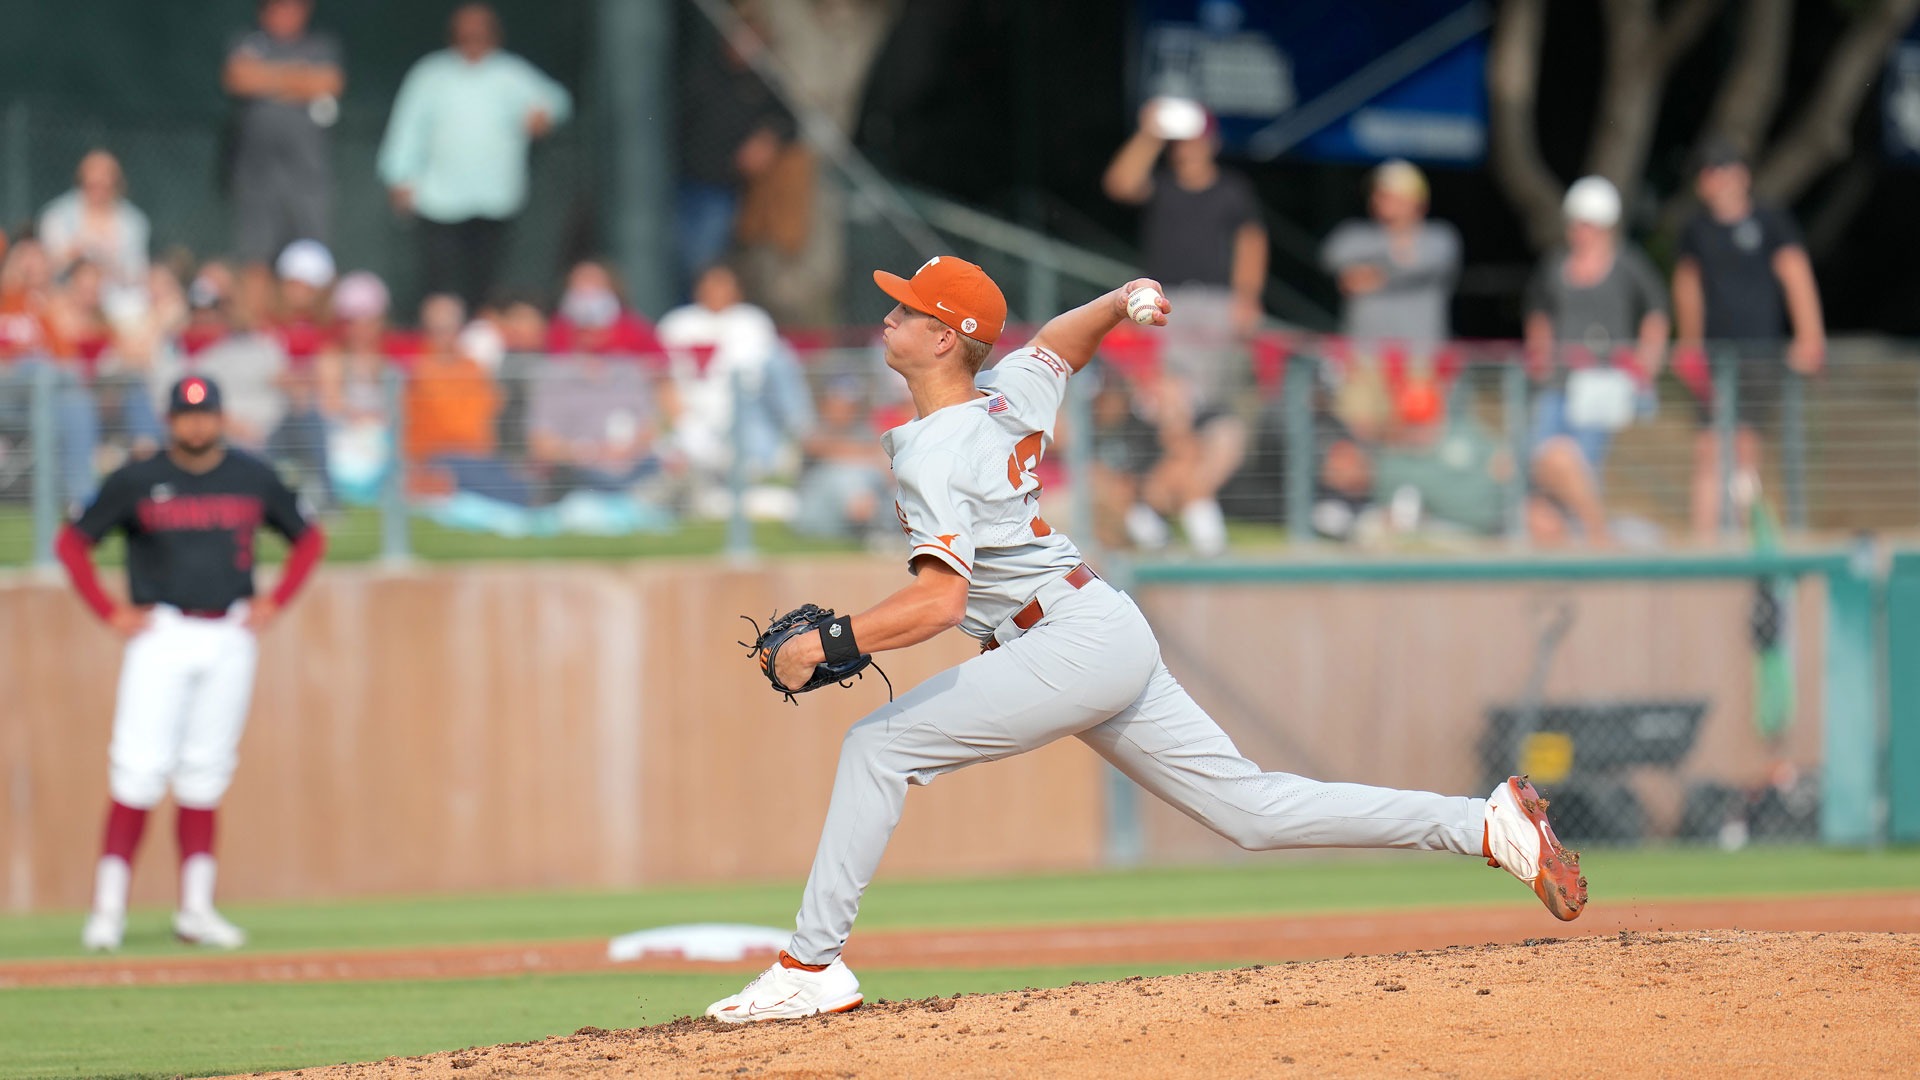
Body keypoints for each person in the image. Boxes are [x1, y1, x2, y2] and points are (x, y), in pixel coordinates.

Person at [702, 256, 1586, 1024]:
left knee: (877, 748)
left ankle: (809, 970)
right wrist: (1122, 298)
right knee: (1252, 810)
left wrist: (836, 640)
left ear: (945, 340)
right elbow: (1062, 340)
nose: (888, 316)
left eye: (907, 309)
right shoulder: (1006, 394)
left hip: (1063, 641)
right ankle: (1481, 825)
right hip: (1094, 626)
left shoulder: (938, 447)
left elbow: (940, 602)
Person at [57, 375, 326, 951]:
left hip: (229, 631)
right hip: (163, 632)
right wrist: (109, 611)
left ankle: (196, 909)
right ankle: (108, 911)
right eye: (186, 415)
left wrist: (276, 600)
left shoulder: (251, 476)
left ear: (221, 418)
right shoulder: (138, 478)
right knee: (137, 768)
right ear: (170, 419)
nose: (197, 425)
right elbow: (72, 542)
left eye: (206, 415)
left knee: (206, 771)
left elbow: (309, 538)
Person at [1102, 99, 1264, 556]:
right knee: (1171, 405)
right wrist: (1150, 132)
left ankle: (1162, 508)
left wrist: (1246, 297)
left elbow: (1252, 241)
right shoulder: (1165, 186)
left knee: (1204, 417)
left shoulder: (1232, 190)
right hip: (1164, 302)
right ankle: (1189, 511)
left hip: (1215, 307)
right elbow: (1120, 183)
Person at [1672, 138, 1826, 538]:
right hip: (1713, 356)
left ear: (1740, 174)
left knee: (1744, 447)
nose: (1713, 180)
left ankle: (1747, 538)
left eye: (1719, 170)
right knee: (1707, 448)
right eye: (1706, 173)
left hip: (1759, 353)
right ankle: (1703, 545)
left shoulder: (1772, 221)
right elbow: (1687, 289)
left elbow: (1797, 278)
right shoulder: (1695, 230)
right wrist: (1688, 346)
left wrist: (1810, 336)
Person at [377, 2, 572, 309]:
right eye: (466, 28)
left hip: (494, 198)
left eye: (480, 28)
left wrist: (544, 115)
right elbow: (406, 128)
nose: (473, 34)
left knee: (486, 287)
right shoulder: (431, 74)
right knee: (439, 287)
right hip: (439, 199)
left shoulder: (510, 73)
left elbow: (558, 101)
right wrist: (400, 175)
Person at [1522, 177, 1669, 546]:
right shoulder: (1555, 266)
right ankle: (1576, 529)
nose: (1578, 231)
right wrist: (1540, 354)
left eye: (1586, 224)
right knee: (1541, 460)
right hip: (1556, 385)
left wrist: (1646, 363)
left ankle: (1592, 531)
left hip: (1603, 386)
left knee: (1583, 463)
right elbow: (1538, 311)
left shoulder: (1628, 265)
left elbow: (1656, 311)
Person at [674, 9, 794, 295]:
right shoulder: (701, 71)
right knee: (673, 259)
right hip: (682, 181)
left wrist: (767, 138)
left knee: (702, 261)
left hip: (722, 189)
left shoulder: (763, 82)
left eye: (755, 41)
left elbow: (792, 122)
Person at [221, 0, 343, 270]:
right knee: (254, 255)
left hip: (307, 172)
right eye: (278, 7)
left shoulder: (321, 46)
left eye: (294, 8)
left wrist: (266, 79)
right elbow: (239, 78)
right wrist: (297, 78)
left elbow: (329, 82)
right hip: (256, 173)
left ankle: (307, 314)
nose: (286, 14)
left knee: (313, 254)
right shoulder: (248, 42)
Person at [1321, 159, 1462, 348]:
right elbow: (1331, 256)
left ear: (1416, 199)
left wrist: (1373, 272)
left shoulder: (1439, 236)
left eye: (1389, 195)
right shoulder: (1353, 234)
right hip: (1364, 355)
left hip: (1419, 357)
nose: (1378, 199)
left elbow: (1416, 265)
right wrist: (1394, 259)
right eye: (1378, 193)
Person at [38, 150, 151, 292]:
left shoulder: (134, 222)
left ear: (116, 183)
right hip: (65, 294)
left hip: (117, 297)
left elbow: (137, 273)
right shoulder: (56, 215)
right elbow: (47, 266)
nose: (98, 189)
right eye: (92, 184)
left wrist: (108, 261)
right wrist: (77, 250)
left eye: (104, 183)